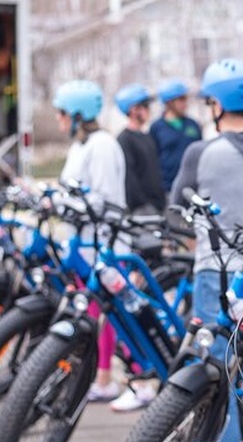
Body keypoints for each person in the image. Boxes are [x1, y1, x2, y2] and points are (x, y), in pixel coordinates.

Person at [170, 58, 243, 442]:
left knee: (220, 369)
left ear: (216, 105)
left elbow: (176, 213)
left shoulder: (201, 152)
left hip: (218, 275)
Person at [52, 80, 127, 404]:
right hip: (81, 242)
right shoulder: (80, 145)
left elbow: (105, 199)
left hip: (106, 244)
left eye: (62, 114)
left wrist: (63, 205)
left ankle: (107, 377)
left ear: (78, 115)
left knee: (108, 313)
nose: (58, 120)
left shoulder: (102, 145)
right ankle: (94, 371)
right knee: (90, 309)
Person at [114, 83, 166, 215]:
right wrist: (144, 205)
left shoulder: (146, 136)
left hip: (158, 206)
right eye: (145, 106)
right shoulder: (125, 140)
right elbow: (130, 180)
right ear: (133, 110)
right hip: (143, 210)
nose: (149, 110)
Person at [150, 79, 202, 193]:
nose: (185, 103)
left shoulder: (193, 125)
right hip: (168, 190)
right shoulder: (156, 128)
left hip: (194, 188)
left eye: (186, 99)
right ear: (169, 102)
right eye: (181, 99)